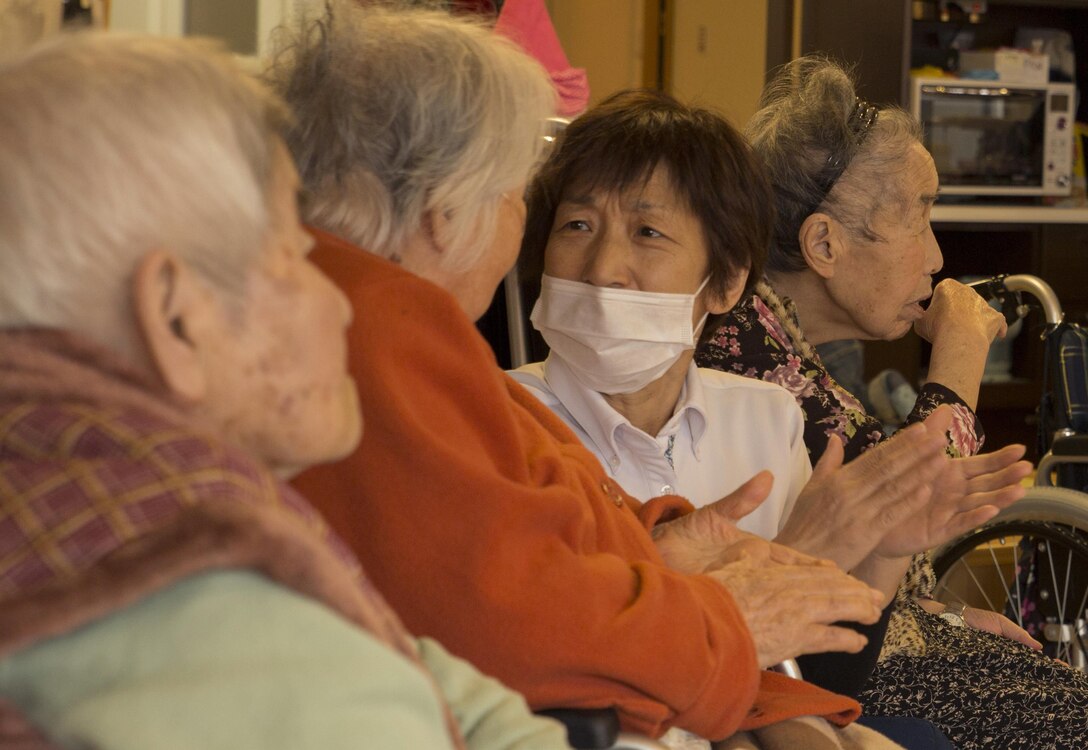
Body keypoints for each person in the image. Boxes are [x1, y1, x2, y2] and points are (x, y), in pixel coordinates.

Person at [284, 4, 978, 747]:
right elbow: (505, 622)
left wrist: (659, 553)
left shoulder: (357, 324)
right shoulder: (383, 348)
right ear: (444, 212)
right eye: (523, 198)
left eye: (647, 233)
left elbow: (537, 549)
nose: (597, 263)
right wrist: (717, 609)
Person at [0, 31, 572, 750]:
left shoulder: (65, 508)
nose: (336, 300)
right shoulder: (230, 633)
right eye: (295, 256)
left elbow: (407, 667)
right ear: (178, 317)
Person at [510, 87, 1030, 704]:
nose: (602, 268)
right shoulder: (498, 419)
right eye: (576, 225)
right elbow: (561, 658)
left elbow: (806, 676)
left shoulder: (765, 417)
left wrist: (884, 557)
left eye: (646, 232)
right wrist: (806, 551)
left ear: (726, 280)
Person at [695, 56, 1088, 749]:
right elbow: (901, 513)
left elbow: (882, 554)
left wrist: (944, 617)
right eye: (919, 216)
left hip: (880, 645)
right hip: (827, 679)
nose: (936, 256)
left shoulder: (781, 337)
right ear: (824, 243)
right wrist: (961, 351)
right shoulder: (742, 355)